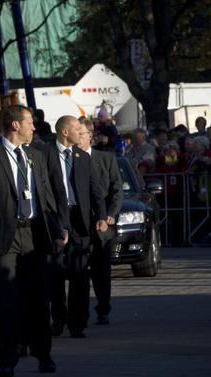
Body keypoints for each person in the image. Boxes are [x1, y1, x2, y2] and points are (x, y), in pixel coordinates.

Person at [0, 105, 64, 377]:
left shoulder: (36, 155)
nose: (34, 127)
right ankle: (7, 359)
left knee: (39, 299)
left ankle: (43, 354)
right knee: (7, 300)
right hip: (2, 235)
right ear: (15, 125)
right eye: (29, 122)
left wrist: (56, 230)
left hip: (34, 235)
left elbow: (46, 196)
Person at [41, 115, 107, 338]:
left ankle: (77, 323)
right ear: (65, 132)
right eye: (78, 128)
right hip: (54, 222)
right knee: (55, 276)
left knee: (80, 275)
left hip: (80, 223)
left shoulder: (82, 157)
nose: (83, 132)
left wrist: (101, 215)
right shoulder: (44, 154)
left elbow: (95, 189)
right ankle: (58, 320)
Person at [78, 120, 123, 325]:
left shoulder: (106, 158)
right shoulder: (67, 159)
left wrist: (110, 214)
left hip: (102, 223)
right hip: (78, 224)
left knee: (101, 270)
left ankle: (103, 308)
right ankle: (79, 313)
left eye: (83, 133)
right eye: (76, 132)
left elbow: (116, 190)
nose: (79, 137)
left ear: (90, 136)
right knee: (77, 270)